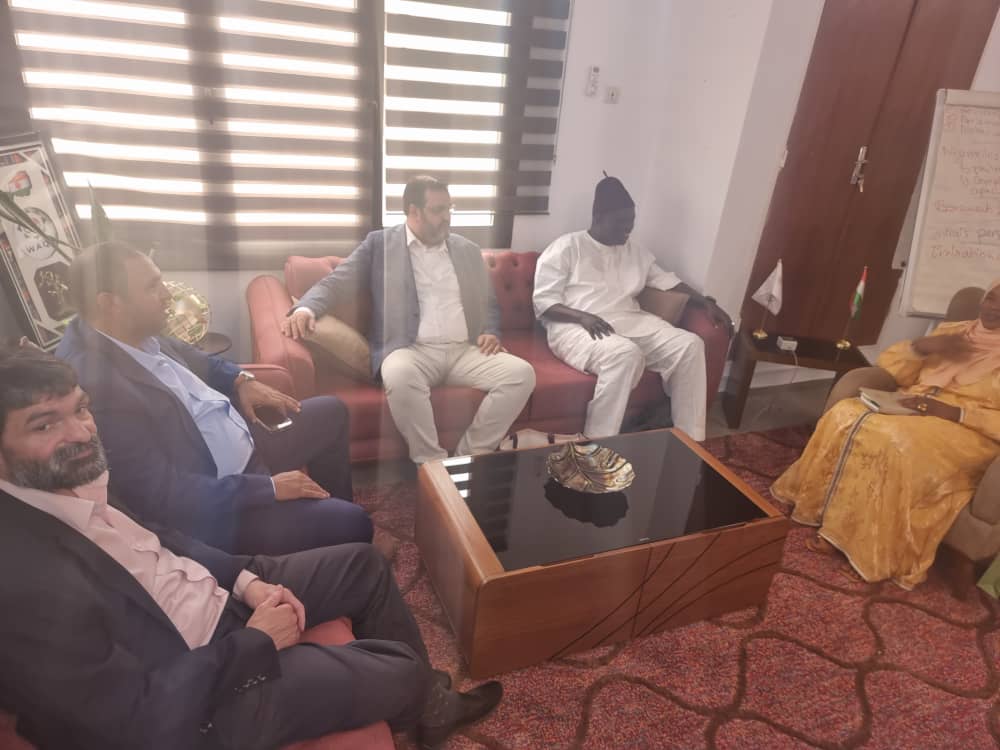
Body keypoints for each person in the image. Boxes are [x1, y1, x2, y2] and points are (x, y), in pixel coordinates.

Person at [0, 345, 501, 750]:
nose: (81, 432)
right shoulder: (22, 579)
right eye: (44, 424)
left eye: (80, 409)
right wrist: (256, 642)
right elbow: (132, 721)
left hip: (217, 602)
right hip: (212, 695)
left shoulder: (67, 480)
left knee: (363, 565)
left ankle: (424, 707)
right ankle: (417, 696)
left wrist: (246, 581)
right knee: (402, 669)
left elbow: (160, 539)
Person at [56, 242, 371, 555]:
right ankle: (339, 546)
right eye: (152, 287)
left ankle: (333, 524)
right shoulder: (97, 386)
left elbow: (196, 357)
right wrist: (269, 488)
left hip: (245, 444)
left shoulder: (129, 330)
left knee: (332, 412)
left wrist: (240, 379)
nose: (167, 295)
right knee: (355, 523)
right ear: (110, 303)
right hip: (221, 503)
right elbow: (162, 496)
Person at [283, 175, 536, 464]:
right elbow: (336, 283)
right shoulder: (379, 245)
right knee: (399, 374)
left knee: (521, 374)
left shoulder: (466, 250)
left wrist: (490, 331)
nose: (447, 217)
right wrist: (305, 309)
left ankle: (469, 458)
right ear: (413, 211)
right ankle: (432, 465)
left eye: (449, 208)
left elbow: (488, 302)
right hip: (411, 350)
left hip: (464, 350)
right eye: (438, 210)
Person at [772, 281, 1000, 588]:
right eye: (991, 298)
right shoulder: (954, 331)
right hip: (916, 402)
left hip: (966, 428)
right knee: (845, 414)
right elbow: (894, 371)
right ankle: (832, 524)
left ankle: (869, 553)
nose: (993, 308)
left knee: (896, 443)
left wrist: (954, 412)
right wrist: (920, 348)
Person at [532, 175, 730, 441]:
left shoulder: (634, 251)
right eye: (621, 223)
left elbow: (667, 281)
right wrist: (583, 317)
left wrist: (705, 302)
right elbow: (544, 302)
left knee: (689, 345)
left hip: (630, 321)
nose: (628, 229)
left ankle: (689, 440)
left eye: (631, 222)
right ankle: (599, 443)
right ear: (598, 217)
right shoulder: (567, 247)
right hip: (575, 327)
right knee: (625, 354)